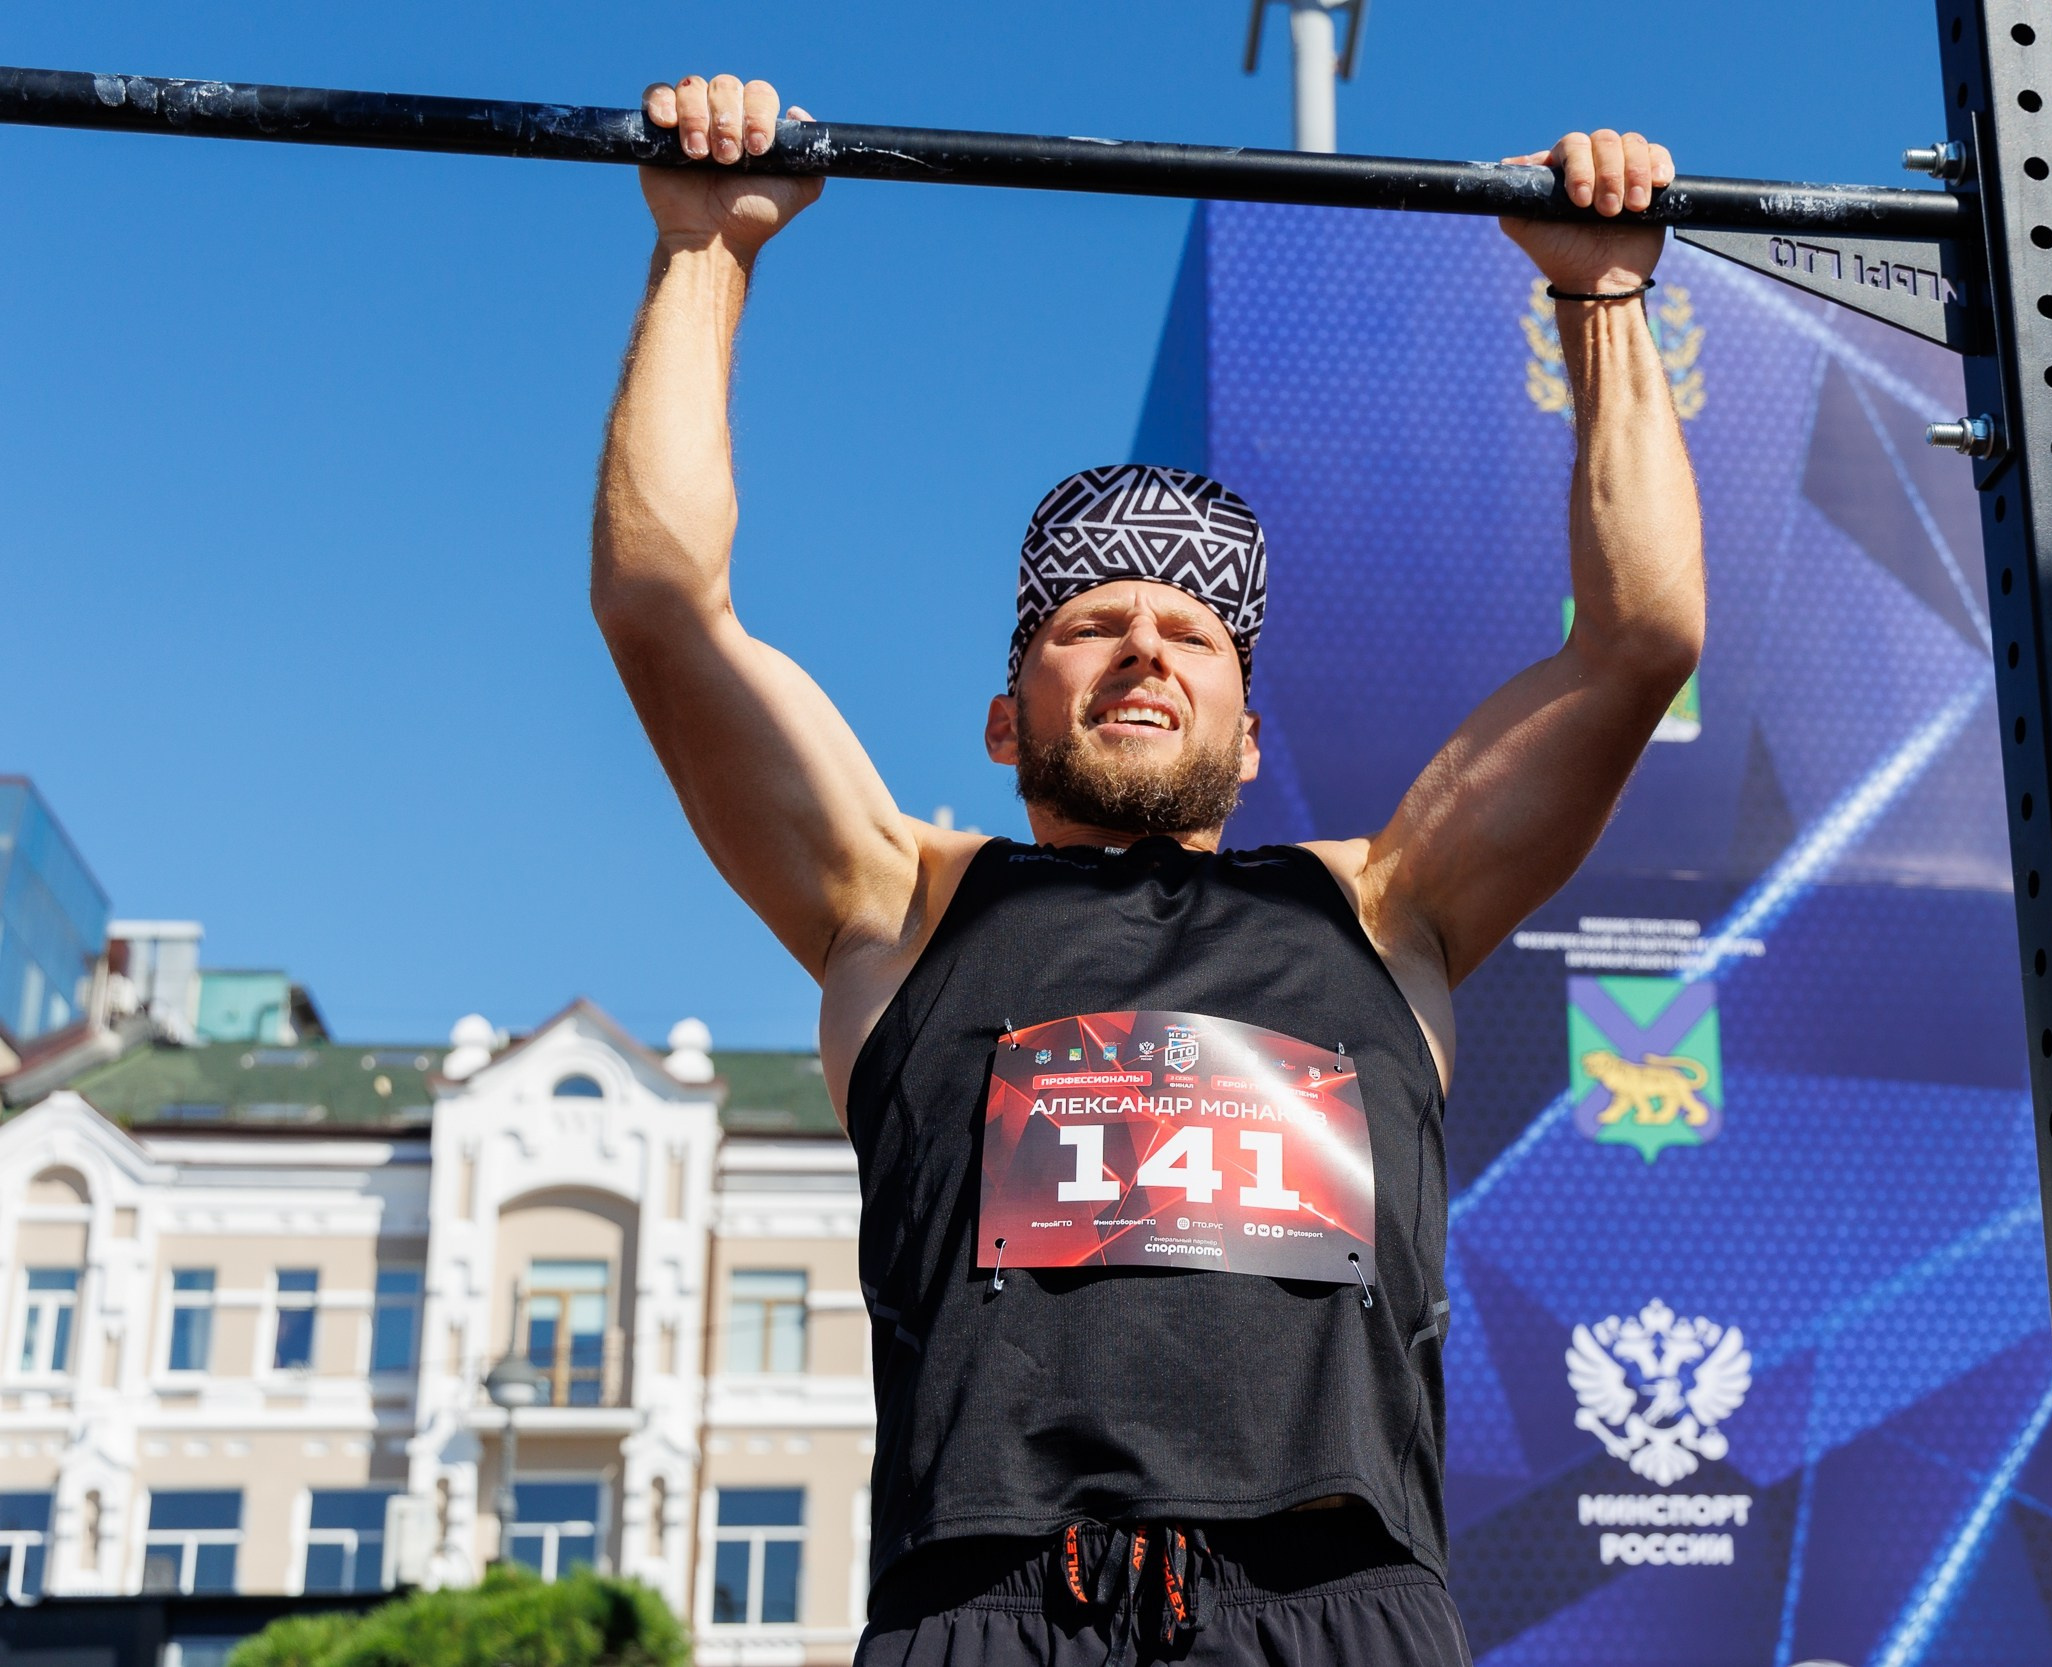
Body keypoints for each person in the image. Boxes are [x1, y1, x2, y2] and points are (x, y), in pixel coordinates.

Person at [593, 70, 1703, 1667]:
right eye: (1087, 625)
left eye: (1189, 632)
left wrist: (1603, 298)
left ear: (1250, 733)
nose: (1140, 650)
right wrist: (708, 246)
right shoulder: (899, 906)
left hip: (1333, 1610)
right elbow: (662, 605)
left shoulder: (1383, 910)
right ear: (1002, 715)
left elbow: (1637, 643)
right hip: (986, 1610)